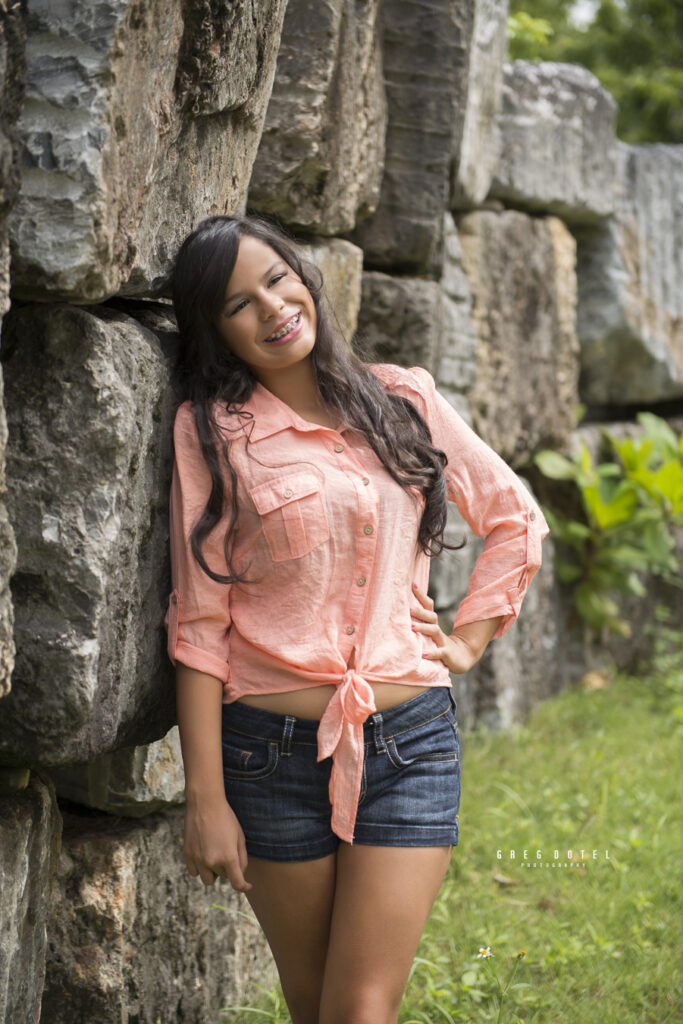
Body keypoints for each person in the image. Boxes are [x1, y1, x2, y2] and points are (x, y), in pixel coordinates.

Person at [167, 212, 549, 1024]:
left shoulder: (400, 398)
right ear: (214, 330)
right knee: (313, 1008)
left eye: (276, 279)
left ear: (303, 278)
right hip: (268, 759)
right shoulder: (213, 433)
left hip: (409, 743)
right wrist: (206, 796)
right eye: (239, 303)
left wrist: (469, 638)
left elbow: (515, 518)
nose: (272, 309)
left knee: (359, 1009)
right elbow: (200, 622)